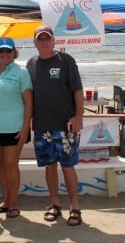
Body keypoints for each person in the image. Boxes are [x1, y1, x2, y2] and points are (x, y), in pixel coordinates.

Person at [26, 24, 84, 226]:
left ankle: (75, 207)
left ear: (53, 41)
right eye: (39, 39)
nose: (43, 42)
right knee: (49, 168)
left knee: (68, 168)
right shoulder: (31, 64)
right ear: (34, 43)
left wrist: (79, 116)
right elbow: (28, 96)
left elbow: (77, 90)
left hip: (65, 126)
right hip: (42, 127)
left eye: (46, 38)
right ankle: (55, 204)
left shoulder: (66, 60)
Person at [0, 37, 33, 218]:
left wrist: (26, 127)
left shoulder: (21, 72)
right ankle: (5, 201)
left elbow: (28, 102)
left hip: (14, 127)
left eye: (8, 51)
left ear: (14, 53)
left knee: (11, 165)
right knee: (0, 163)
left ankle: (13, 204)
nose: (4, 54)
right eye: (1, 51)